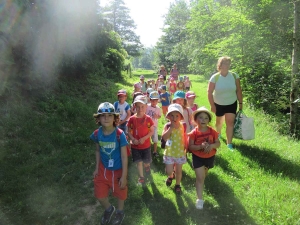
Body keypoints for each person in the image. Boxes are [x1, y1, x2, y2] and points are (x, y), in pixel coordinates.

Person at [90, 102, 128, 225]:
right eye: (103, 115)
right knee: (99, 194)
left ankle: (120, 211)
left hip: (117, 170)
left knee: (120, 192)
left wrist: (124, 176)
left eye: (110, 115)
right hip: (103, 169)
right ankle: (109, 209)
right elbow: (97, 150)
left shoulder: (119, 135)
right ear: (98, 118)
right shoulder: (97, 134)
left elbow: (124, 155)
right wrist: (96, 168)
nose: (106, 118)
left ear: (115, 118)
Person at [188, 106, 220, 210]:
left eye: (206, 118)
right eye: (201, 117)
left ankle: (198, 183)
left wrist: (211, 146)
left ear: (209, 120)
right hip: (197, 157)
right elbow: (190, 146)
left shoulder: (212, 132)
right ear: (196, 119)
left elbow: (218, 143)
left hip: (210, 157)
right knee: (200, 178)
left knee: (203, 175)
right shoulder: (194, 133)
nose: (203, 120)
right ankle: (199, 199)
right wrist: (200, 147)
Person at [207, 56, 243, 150]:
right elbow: (209, 92)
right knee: (219, 122)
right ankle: (218, 134)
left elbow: (239, 90)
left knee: (230, 122)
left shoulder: (235, 76)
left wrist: (241, 103)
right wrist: (212, 105)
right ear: (220, 65)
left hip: (231, 102)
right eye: (224, 63)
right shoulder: (215, 77)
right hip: (218, 103)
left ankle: (229, 143)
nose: (226, 65)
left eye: (228, 63)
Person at [127, 95, 154, 185]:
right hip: (135, 146)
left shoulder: (148, 120)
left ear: (146, 106)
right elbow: (129, 131)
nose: (140, 109)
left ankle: (147, 166)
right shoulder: (131, 119)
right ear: (134, 107)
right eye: (138, 106)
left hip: (146, 146)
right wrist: (133, 139)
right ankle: (141, 177)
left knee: (146, 162)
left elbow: (151, 131)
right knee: (139, 162)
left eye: (142, 106)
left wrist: (144, 138)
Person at [161, 103, 187, 194]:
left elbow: (184, 137)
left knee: (179, 171)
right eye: (172, 115)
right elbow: (164, 137)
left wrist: (186, 147)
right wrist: (170, 129)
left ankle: (178, 184)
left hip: (179, 153)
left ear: (180, 117)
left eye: (177, 116)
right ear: (168, 116)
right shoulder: (167, 126)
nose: (174, 118)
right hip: (169, 153)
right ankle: (171, 176)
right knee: (169, 170)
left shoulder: (183, 125)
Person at [146, 91, 162, 157]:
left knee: (155, 139)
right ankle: (147, 150)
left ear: (158, 101)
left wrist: (157, 116)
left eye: (155, 101)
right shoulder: (147, 106)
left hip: (154, 125)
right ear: (150, 100)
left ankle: (155, 151)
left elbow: (160, 116)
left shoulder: (158, 108)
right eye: (152, 100)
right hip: (146, 125)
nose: (154, 102)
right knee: (147, 137)